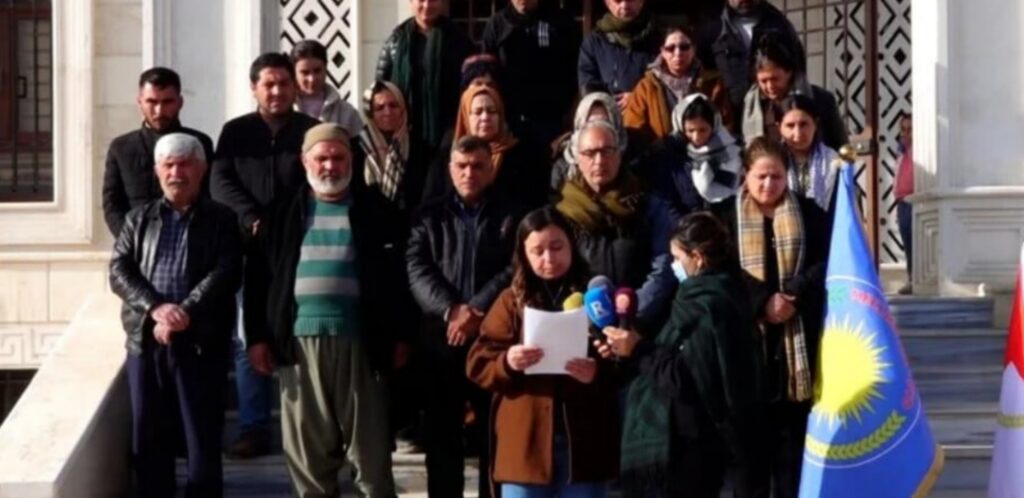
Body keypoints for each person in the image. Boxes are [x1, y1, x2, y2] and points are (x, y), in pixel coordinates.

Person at [244, 124, 405, 498]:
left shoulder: (377, 211)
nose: (330, 166)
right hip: (299, 346)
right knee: (308, 455)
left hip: (363, 344)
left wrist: (401, 335)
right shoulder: (280, 213)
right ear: (305, 161)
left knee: (370, 453)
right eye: (322, 158)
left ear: (351, 161)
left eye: (338, 157)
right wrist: (257, 338)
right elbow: (257, 281)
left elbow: (399, 281)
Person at [110, 133, 242, 498]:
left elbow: (227, 271)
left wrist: (184, 311)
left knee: (201, 435)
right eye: (168, 165)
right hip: (146, 342)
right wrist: (156, 308)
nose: (176, 172)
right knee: (148, 436)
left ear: (201, 169)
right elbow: (119, 271)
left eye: (184, 164)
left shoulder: (222, 219)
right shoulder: (138, 219)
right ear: (157, 171)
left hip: (200, 342)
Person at [598, 212, 758, 498]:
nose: (674, 266)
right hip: (691, 442)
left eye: (676, 257)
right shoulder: (715, 293)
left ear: (697, 257)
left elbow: (689, 378)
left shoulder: (708, 304)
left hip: (691, 446)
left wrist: (639, 349)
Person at [467, 207, 619, 498]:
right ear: (523, 255)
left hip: (584, 444)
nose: (549, 259)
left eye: (557, 247)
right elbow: (478, 362)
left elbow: (623, 360)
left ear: (572, 245)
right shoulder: (511, 300)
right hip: (525, 445)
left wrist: (597, 371)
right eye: (537, 251)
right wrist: (507, 362)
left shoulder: (594, 297)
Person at [211, 52, 320, 459]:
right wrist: (251, 217)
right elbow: (220, 181)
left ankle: (309, 426)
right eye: (268, 84)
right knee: (248, 338)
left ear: (295, 86)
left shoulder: (311, 131)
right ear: (254, 88)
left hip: (301, 249)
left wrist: (291, 221)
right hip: (250, 250)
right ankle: (254, 427)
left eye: (283, 83)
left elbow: (320, 179)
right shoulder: (236, 132)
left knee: (303, 334)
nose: (276, 91)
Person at [711, 137, 830, 498]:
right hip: (745, 350)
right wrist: (762, 301)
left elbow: (826, 261)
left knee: (791, 462)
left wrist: (794, 292)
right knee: (749, 466)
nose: (768, 184)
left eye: (776, 177)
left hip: (796, 347)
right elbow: (719, 271)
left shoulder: (809, 213)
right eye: (761, 176)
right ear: (746, 175)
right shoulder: (723, 218)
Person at [407, 135, 525, 498]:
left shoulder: (511, 214)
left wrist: (477, 309)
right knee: (442, 435)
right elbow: (417, 268)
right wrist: (452, 310)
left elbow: (515, 267)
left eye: (477, 166)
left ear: (490, 169)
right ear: (450, 169)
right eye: (461, 166)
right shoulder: (428, 215)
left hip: (493, 338)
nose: (469, 173)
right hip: (441, 339)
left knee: (493, 433)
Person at [555, 119, 673, 322]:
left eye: (607, 151)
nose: (599, 161)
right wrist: (590, 321)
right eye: (590, 153)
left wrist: (632, 313)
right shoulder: (563, 211)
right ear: (577, 159)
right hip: (586, 322)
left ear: (619, 155)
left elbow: (663, 265)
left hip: (642, 321)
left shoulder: (646, 202)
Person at [103, 67, 215, 237]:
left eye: (167, 102)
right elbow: (112, 204)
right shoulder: (121, 147)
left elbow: (209, 195)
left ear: (180, 102)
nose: (159, 111)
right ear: (140, 102)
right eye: (152, 102)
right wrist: (132, 241)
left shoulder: (200, 143)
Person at [423, 84, 549, 208]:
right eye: (478, 112)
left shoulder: (523, 155)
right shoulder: (447, 158)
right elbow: (431, 206)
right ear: (466, 117)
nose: (485, 117)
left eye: (491, 111)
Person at [482, 0, 581, 147]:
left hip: (552, 123)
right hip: (510, 124)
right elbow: (487, 75)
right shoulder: (497, 25)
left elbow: (577, 72)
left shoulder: (562, 22)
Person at [376, 0, 474, 148]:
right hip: (404, 136)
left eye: (433, 0)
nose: (427, 6)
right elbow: (380, 90)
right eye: (421, 0)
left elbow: (470, 89)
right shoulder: (395, 41)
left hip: (448, 135)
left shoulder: (459, 41)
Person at [623, 23, 732, 149]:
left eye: (684, 47)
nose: (678, 53)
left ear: (693, 49)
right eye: (670, 48)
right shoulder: (646, 87)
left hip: (706, 154)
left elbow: (725, 125)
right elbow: (633, 128)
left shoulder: (712, 83)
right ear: (662, 52)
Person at [698, 0, 805, 118]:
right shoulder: (713, 28)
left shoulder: (778, 24)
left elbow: (798, 70)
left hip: (772, 117)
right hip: (729, 118)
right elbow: (704, 74)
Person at [741, 35, 847, 150]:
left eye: (775, 79)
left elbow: (841, 146)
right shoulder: (751, 106)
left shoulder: (822, 100)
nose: (770, 86)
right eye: (763, 81)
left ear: (789, 72)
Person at [649, 93, 742, 223]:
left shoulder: (729, 151)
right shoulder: (670, 155)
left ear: (713, 126)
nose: (696, 137)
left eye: (703, 130)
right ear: (681, 128)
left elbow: (734, 193)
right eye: (690, 130)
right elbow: (669, 203)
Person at [578, 0, 659, 106]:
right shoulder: (595, 42)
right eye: (618, 0)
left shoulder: (660, 40)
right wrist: (606, 103)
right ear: (608, 3)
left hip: (648, 111)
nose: (624, 5)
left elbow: (666, 82)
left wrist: (637, 97)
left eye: (630, 0)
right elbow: (588, 83)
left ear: (641, 2)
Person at [550, 92, 629, 192]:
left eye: (605, 122)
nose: (597, 127)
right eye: (590, 122)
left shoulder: (632, 161)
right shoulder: (562, 168)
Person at [777, 94, 842, 211]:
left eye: (803, 124)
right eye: (790, 126)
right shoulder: (773, 160)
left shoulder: (833, 160)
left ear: (815, 124)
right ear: (779, 128)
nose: (798, 133)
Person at [291, 40, 364, 138]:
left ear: (326, 68)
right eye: (305, 73)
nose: (312, 79)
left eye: (317, 71)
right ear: (294, 73)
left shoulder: (346, 113)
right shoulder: (285, 109)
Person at [894, 112, 913, 295]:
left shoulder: (920, 151)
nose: (906, 134)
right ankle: (911, 279)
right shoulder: (901, 151)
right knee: (907, 243)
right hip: (902, 202)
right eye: (903, 129)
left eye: (910, 129)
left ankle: (918, 280)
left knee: (917, 244)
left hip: (916, 201)